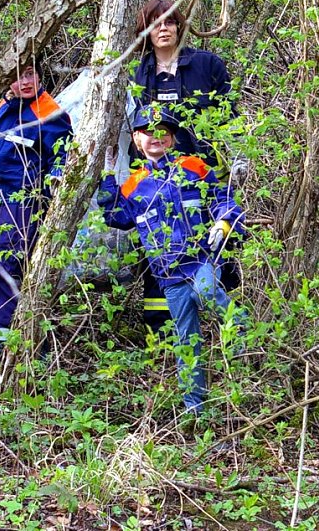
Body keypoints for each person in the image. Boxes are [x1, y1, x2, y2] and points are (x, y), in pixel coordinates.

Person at [99, 105, 246, 417]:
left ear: (173, 137)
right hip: (169, 275)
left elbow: (224, 199)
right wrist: (107, 178)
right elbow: (117, 217)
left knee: (207, 291)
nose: (156, 137)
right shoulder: (134, 184)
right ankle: (196, 410)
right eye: (148, 132)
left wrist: (224, 222)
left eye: (162, 131)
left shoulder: (193, 166)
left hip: (201, 260)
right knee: (186, 340)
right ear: (137, 140)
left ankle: (244, 337)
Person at [130, 0, 246, 334]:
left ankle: (230, 331)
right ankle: (161, 331)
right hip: (156, 182)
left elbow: (230, 116)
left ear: (180, 25)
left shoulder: (207, 64)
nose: (163, 29)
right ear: (145, 31)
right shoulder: (137, 72)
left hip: (203, 175)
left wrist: (239, 159)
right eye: (155, 24)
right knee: (159, 249)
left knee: (215, 245)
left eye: (169, 22)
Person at [0, 59, 73, 360]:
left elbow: (63, 151)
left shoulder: (47, 111)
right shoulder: (3, 107)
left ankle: (7, 344)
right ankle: (6, 335)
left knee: (8, 267)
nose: (25, 81)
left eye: (30, 74)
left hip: (25, 200)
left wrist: (56, 179)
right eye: (18, 76)